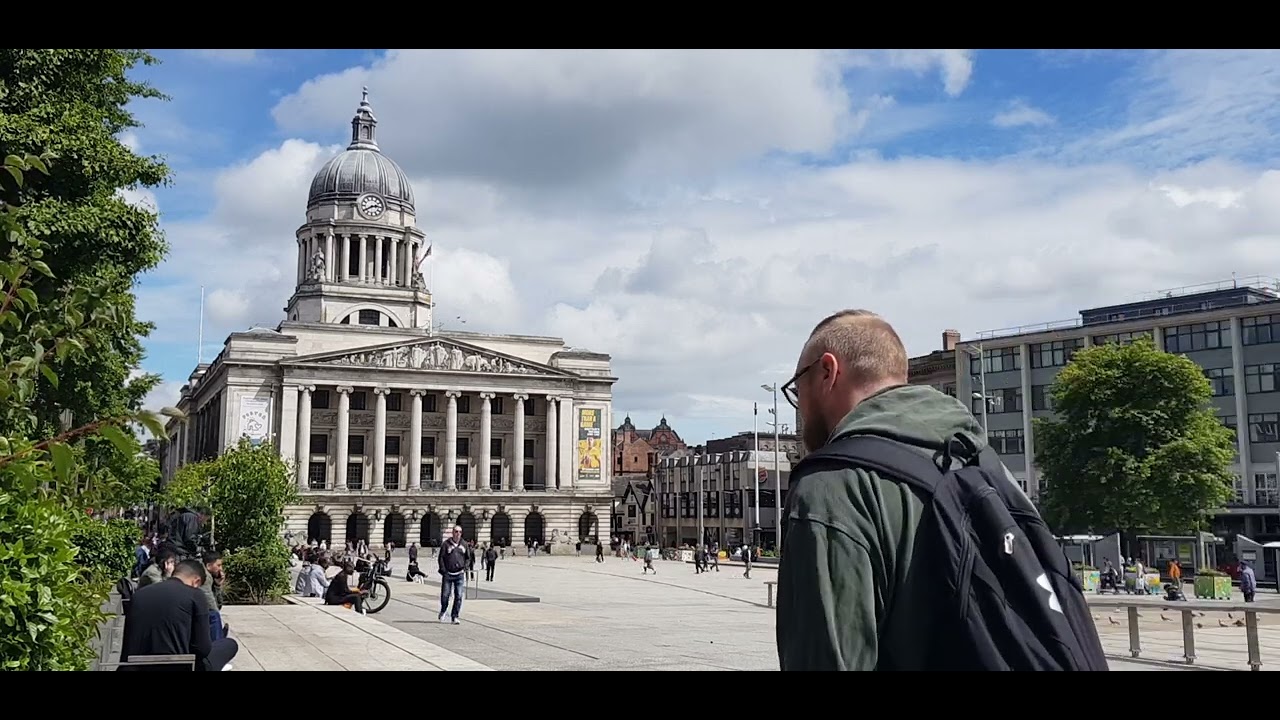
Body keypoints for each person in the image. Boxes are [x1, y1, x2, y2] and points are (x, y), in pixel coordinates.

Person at [776, 309, 1038, 670]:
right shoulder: (985, 463)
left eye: (798, 386)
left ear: (827, 371)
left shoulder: (832, 486)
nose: (800, 404)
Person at [118, 559, 238, 671]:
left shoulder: (139, 595)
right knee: (229, 644)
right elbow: (202, 648)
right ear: (196, 581)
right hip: (179, 665)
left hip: (136, 665)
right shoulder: (195, 595)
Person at [438, 525, 468, 624]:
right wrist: (443, 570)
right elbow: (441, 558)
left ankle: (454, 616)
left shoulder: (464, 544)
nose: (458, 534)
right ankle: (443, 611)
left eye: (459, 532)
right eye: (456, 531)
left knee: (458, 596)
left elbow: (468, 557)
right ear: (452, 532)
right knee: (445, 595)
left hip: (459, 574)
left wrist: (465, 568)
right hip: (448, 574)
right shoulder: (446, 544)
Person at [200, 552, 228, 641]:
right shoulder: (205, 576)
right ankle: (218, 641)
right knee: (214, 615)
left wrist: (218, 585)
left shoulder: (209, 575)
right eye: (218, 565)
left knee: (214, 614)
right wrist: (216, 613)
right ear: (208, 566)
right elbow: (210, 601)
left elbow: (217, 604)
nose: (221, 569)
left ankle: (219, 637)